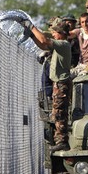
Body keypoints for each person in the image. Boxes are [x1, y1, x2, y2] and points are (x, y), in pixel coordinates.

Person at [21, 18, 72, 152]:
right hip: (59, 83)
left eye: (55, 32)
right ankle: (59, 139)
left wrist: (31, 27)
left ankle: (62, 141)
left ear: (61, 33)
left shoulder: (63, 44)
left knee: (60, 113)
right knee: (57, 113)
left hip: (62, 83)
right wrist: (32, 36)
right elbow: (43, 45)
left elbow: (44, 41)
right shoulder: (60, 44)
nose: (53, 34)